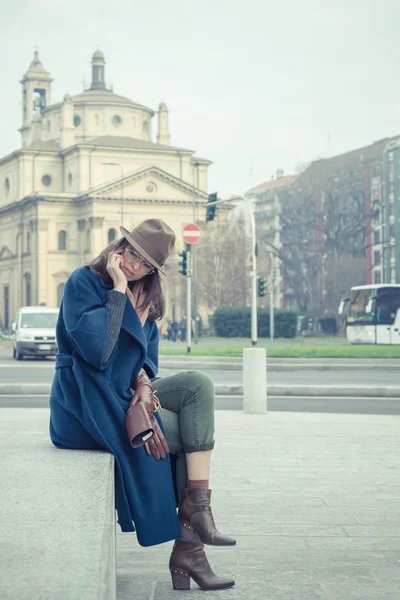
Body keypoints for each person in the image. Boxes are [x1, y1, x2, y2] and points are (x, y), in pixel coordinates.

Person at [49, 219, 235, 592]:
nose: (134, 264)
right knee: (182, 434)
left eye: (145, 263)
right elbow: (97, 353)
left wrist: (145, 387)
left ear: (153, 270)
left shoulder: (148, 297)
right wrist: (118, 290)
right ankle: (190, 549)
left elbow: (146, 361)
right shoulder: (83, 282)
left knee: (198, 385)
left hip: (126, 392)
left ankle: (198, 510)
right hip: (85, 400)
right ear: (122, 245)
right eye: (132, 252)